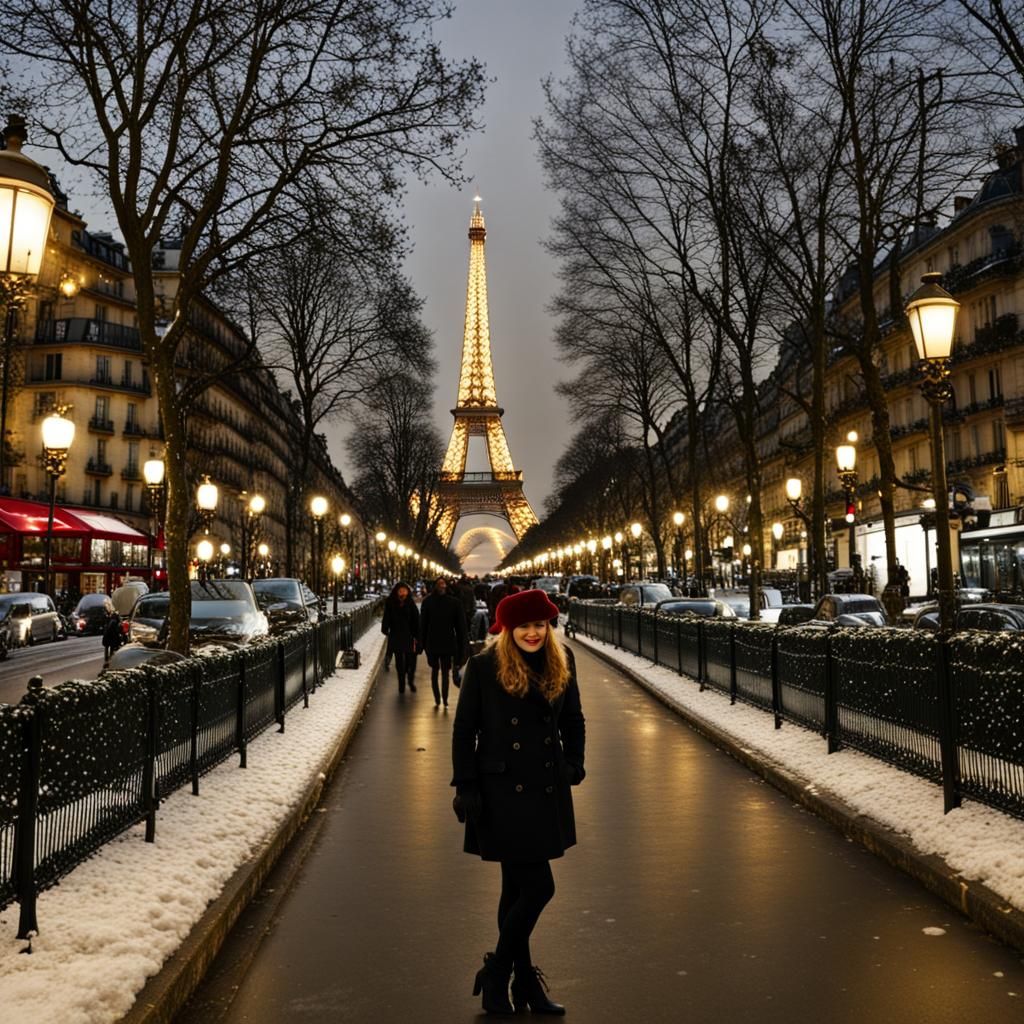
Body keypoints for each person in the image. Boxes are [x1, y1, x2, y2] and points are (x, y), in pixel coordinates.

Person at [451, 588, 585, 1016]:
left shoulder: (562, 661)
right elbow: (463, 731)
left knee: (516, 890)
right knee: (539, 886)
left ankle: (520, 983)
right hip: (502, 792)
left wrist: (574, 764)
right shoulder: (484, 666)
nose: (533, 633)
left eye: (540, 625)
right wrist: (466, 786)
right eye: (524, 626)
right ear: (506, 629)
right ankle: (500, 972)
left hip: (544, 785)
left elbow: (573, 718)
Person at [419, 577, 466, 708]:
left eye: (443, 583)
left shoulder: (453, 602)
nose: (442, 586)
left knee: (445, 671)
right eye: (439, 584)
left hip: (446, 641)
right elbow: (423, 624)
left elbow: (460, 626)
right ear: (435, 586)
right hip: (433, 642)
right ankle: (437, 698)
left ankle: (444, 698)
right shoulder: (428, 602)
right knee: (435, 670)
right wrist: (421, 643)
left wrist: (462, 645)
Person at [381, 580, 419, 695]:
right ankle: (401, 683)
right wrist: (385, 627)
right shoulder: (391, 602)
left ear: (407, 592)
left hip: (408, 635)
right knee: (399, 661)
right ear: (397, 592)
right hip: (396, 634)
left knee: (410, 661)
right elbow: (386, 616)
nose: (402, 592)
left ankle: (410, 679)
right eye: (400, 590)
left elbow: (416, 619)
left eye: (404, 590)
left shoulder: (410, 603)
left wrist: (417, 634)